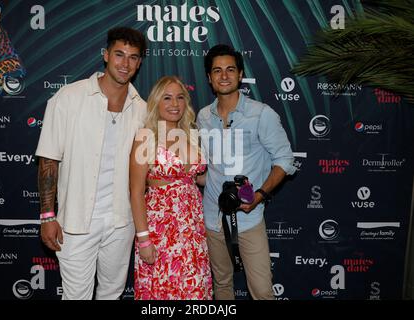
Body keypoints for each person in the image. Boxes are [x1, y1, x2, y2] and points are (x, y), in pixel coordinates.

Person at [35, 27, 147, 300]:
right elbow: (49, 159)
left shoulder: (142, 109)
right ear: (105, 55)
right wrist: (48, 216)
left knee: (112, 293)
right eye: (119, 55)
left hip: (121, 223)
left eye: (133, 57)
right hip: (75, 222)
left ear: (139, 63)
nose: (125, 63)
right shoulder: (69, 98)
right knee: (76, 296)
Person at [196, 44, 296, 300]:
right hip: (212, 218)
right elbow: (210, 168)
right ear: (209, 78)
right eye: (217, 71)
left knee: (262, 291)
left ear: (240, 74)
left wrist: (260, 195)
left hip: (249, 219)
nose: (224, 75)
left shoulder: (261, 114)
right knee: (222, 285)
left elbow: (284, 160)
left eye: (230, 69)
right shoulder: (203, 117)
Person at [129, 76, 213, 300]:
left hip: (192, 228)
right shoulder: (145, 138)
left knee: (194, 288)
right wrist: (144, 239)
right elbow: (136, 192)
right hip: (160, 228)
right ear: (156, 102)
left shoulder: (191, 136)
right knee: (162, 290)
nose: (174, 104)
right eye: (167, 98)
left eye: (179, 98)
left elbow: (198, 178)